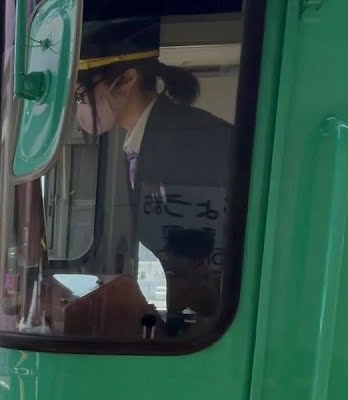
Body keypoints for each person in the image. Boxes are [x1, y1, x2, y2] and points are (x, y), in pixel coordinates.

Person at [74, 16, 234, 335]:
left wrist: (187, 332)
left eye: (81, 95)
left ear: (127, 79)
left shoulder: (193, 139)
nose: (79, 107)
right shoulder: (139, 142)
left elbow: (204, 259)